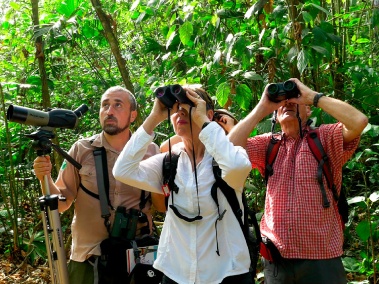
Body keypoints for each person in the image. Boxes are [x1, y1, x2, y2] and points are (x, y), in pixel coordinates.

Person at [228, 78, 368, 284]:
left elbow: (359, 121)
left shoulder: (325, 137)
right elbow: (227, 149)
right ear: (275, 114)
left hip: (322, 259)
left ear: (308, 111)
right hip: (277, 260)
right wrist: (262, 107)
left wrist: (312, 97)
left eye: (294, 101)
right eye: (283, 103)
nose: (288, 104)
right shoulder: (268, 144)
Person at [113, 86, 253, 284]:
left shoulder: (227, 157)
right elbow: (122, 171)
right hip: (176, 272)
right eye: (176, 107)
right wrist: (155, 117)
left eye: (190, 106)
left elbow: (238, 166)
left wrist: (204, 122)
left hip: (226, 273)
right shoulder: (170, 163)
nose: (180, 111)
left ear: (208, 114)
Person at [32, 86, 160, 283]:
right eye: (105, 105)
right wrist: (45, 178)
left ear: (133, 115)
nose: (109, 111)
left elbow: (161, 203)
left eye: (118, 105)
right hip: (88, 257)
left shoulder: (150, 151)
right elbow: (62, 203)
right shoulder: (82, 149)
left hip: (136, 257)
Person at [159, 108, 238, 152]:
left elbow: (241, 151)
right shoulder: (187, 150)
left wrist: (231, 129)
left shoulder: (227, 152)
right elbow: (164, 148)